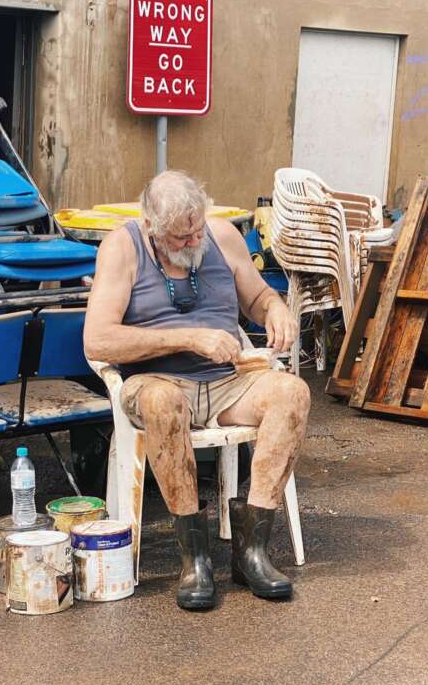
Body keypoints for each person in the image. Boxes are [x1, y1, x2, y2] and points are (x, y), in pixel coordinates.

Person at [84, 170, 310, 610]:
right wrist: (188, 337)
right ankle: (195, 557)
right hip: (157, 380)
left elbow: (258, 297)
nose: (192, 243)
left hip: (227, 381)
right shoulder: (122, 248)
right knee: (163, 402)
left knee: (292, 393)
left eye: (196, 231)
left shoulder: (222, 237)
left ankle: (253, 551)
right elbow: (97, 340)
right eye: (180, 238)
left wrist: (276, 309)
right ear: (151, 227)